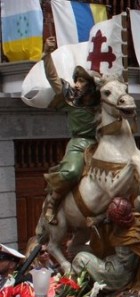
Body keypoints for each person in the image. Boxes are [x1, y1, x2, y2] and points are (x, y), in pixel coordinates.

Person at [40, 37, 102, 225]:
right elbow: (53, 78)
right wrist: (47, 54)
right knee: (72, 172)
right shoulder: (70, 98)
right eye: (76, 80)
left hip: (99, 143)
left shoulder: (101, 101)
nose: (76, 84)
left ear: (90, 85)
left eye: (81, 81)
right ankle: (53, 202)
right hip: (79, 143)